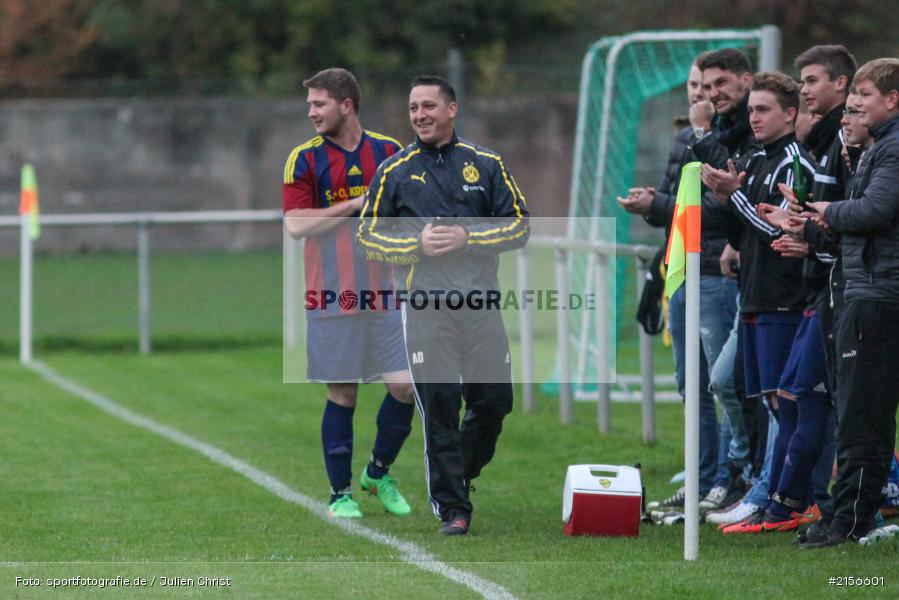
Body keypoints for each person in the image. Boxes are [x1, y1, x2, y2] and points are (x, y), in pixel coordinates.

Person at [357, 75, 529, 535]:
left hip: (480, 305)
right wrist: (417, 245)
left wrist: (467, 236)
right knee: (440, 404)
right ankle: (454, 507)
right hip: (425, 308)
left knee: (495, 402)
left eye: (429, 106)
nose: (420, 115)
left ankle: (458, 472)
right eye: (414, 107)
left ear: (452, 109)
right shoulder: (394, 171)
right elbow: (367, 237)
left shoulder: (486, 164)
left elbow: (519, 226)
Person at [282, 68, 415, 519]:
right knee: (344, 394)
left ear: (346, 105)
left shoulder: (390, 152)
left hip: (386, 292)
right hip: (332, 292)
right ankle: (340, 494)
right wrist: (355, 205)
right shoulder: (303, 159)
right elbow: (296, 224)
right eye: (310, 105)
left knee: (405, 387)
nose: (311, 112)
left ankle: (377, 472)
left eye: (319, 104)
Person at [619, 57, 744, 513]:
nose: (701, 94)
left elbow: (719, 209)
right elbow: (679, 207)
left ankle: (729, 478)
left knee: (723, 383)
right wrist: (654, 203)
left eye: (710, 85)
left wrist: (660, 204)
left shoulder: (734, 135)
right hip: (684, 269)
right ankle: (701, 479)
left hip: (716, 273)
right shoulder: (687, 137)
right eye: (696, 85)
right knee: (692, 386)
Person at [700, 71, 816, 533]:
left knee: (785, 403)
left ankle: (778, 494)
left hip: (784, 297)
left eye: (763, 109)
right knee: (768, 399)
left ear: (790, 114)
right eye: (751, 110)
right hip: (754, 294)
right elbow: (747, 226)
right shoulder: (756, 158)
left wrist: (735, 197)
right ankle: (767, 489)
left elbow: (779, 230)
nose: (754, 117)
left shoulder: (794, 164)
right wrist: (726, 200)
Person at [797, 58, 899, 547]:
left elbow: (875, 210)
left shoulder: (893, 149)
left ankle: (851, 520)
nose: (854, 104)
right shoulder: (879, 148)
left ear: (892, 100)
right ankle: (851, 514)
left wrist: (828, 210)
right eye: (853, 95)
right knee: (861, 415)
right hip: (868, 292)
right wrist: (815, 225)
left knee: (863, 416)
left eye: (863, 95)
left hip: (877, 297)